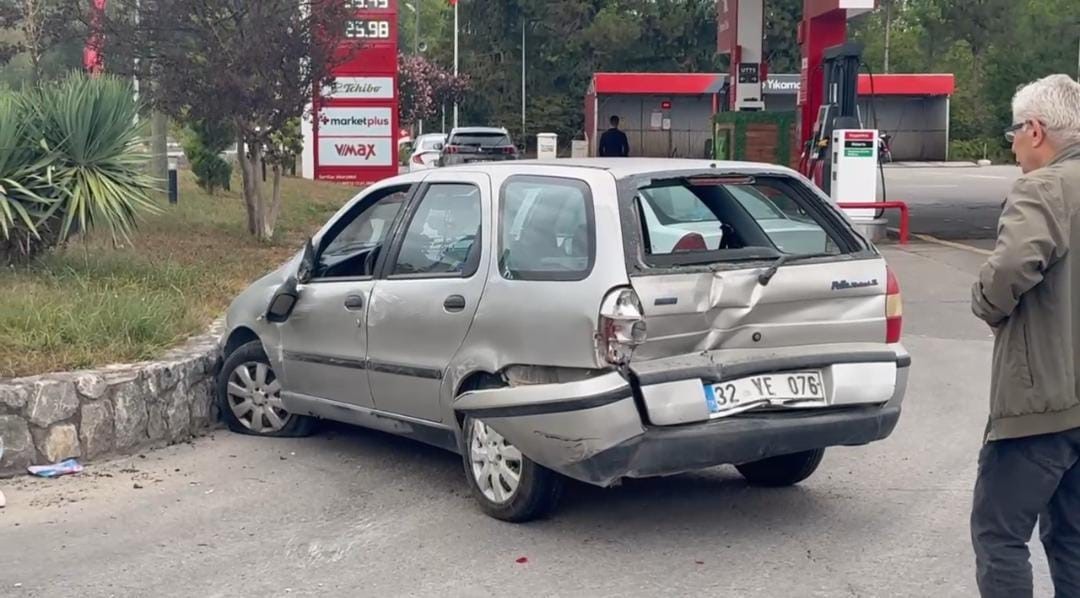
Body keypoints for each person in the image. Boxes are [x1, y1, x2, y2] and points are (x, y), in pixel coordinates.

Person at [970, 74, 1080, 598]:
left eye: (1013, 132)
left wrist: (986, 303)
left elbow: (1012, 265)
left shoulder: (1044, 188)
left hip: (1042, 405)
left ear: (1035, 130)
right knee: (1074, 539)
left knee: (999, 535)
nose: (1010, 144)